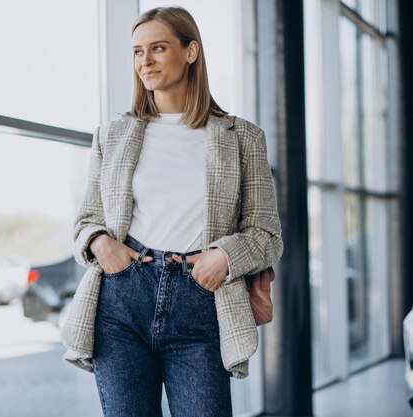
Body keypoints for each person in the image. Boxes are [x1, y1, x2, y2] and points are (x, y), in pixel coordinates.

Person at [61, 6, 283, 417]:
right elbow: (85, 221)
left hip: (201, 303)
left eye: (158, 48)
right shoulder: (111, 136)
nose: (145, 61)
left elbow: (267, 234)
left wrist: (225, 256)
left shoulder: (242, 138)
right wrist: (100, 242)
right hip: (121, 304)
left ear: (191, 51)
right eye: (137, 51)